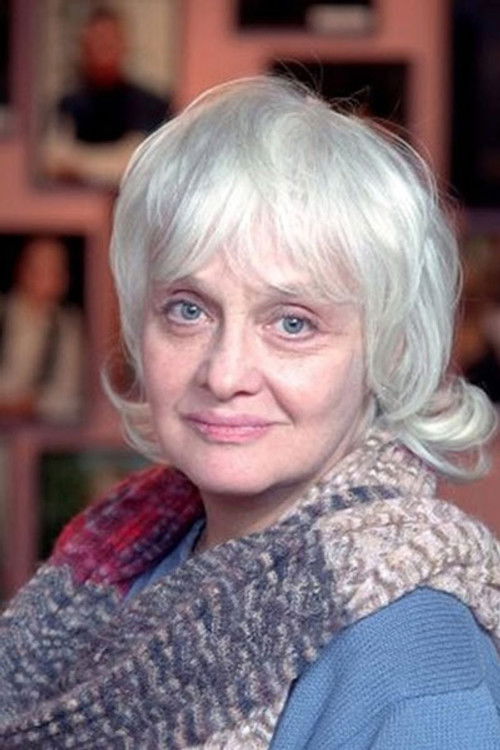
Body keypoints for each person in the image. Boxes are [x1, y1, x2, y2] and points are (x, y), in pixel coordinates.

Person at [1, 77, 499, 748]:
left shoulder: (416, 668)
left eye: (293, 323)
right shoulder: (126, 553)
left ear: (389, 349)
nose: (225, 373)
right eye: (188, 310)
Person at [43, 7, 171, 185]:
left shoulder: (152, 104)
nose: (102, 47)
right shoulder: (67, 105)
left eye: (109, 40)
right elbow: (54, 161)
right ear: (84, 46)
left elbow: (142, 165)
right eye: (96, 40)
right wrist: (114, 162)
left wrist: (78, 164)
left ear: (124, 44)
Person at [0, 236, 83, 423]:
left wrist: (30, 405)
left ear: (64, 279)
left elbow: (69, 397)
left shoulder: (69, 328)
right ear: (22, 270)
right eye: (37, 268)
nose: (44, 276)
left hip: (42, 430)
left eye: (53, 269)